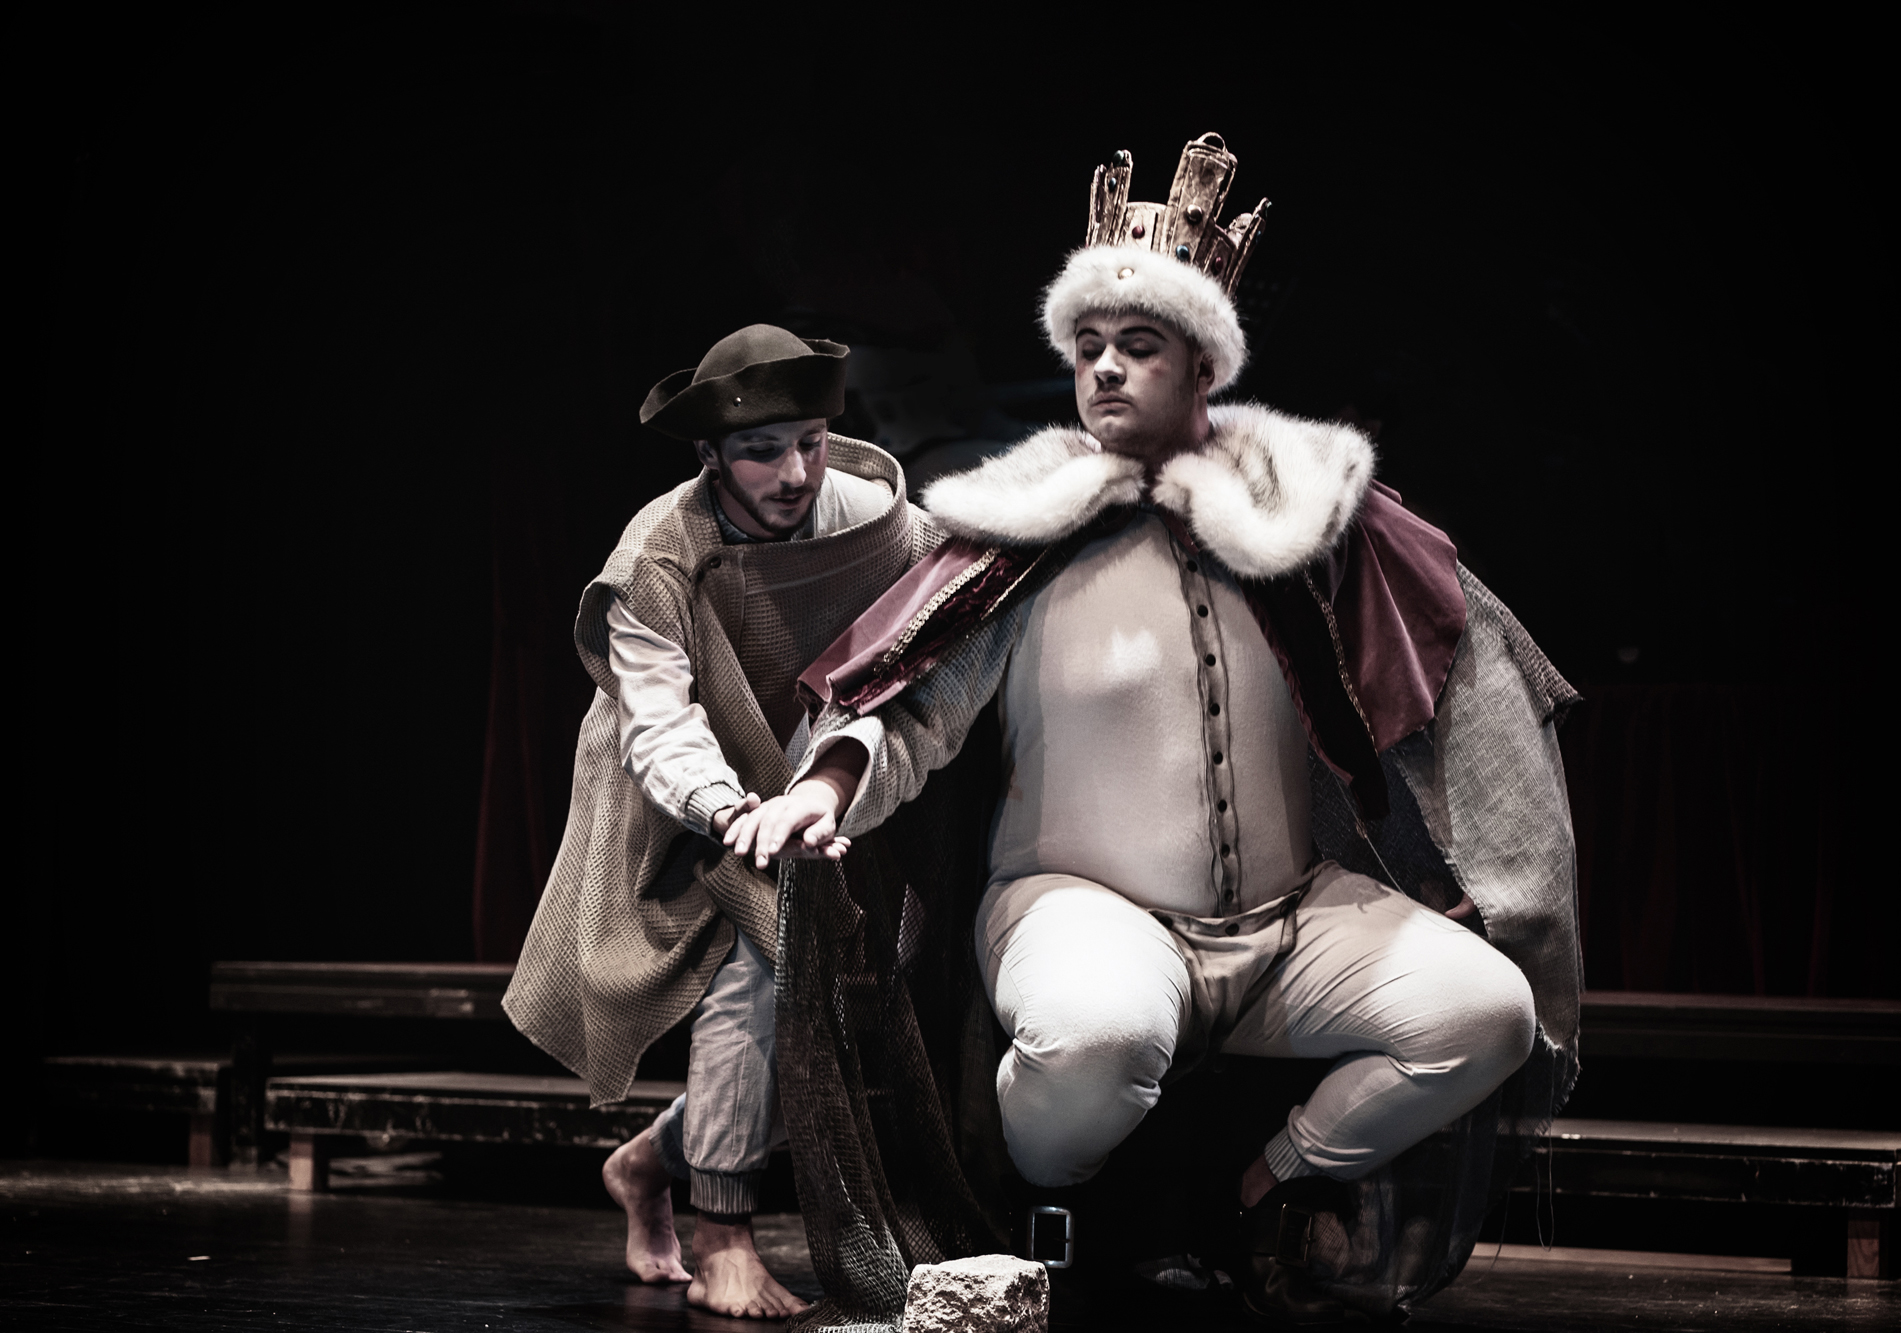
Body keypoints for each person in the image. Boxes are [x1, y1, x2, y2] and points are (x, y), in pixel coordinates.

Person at [732, 135, 1581, 1323]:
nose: (1104, 369)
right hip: (1082, 906)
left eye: (1137, 345)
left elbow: (1432, 647)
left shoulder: (1295, 523)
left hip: (1288, 919)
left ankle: (1263, 1190)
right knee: (1097, 1035)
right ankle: (1044, 1204)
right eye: (1087, 346)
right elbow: (904, 698)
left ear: (1203, 364)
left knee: (1485, 1012)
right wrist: (825, 786)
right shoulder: (1012, 538)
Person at [501, 324, 942, 1319]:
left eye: (810, 443)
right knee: (768, 953)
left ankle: (652, 1160)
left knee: (864, 994)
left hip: (820, 782)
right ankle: (723, 1232)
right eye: (760, 449)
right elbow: (658, 724)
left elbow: (920, 647)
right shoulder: (659, 554)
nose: (793, 473)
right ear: (709, 454)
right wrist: (731, 809)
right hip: (677, 791)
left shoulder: (879, 524)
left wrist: (824, 786)